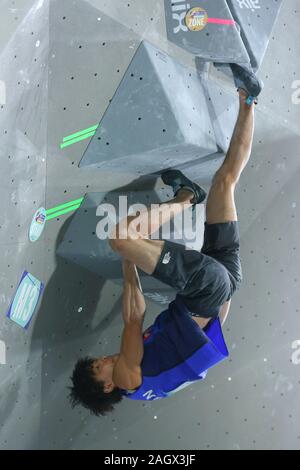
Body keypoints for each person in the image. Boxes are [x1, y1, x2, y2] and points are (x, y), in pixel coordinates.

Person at [69, 66, 263, 416]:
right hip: (206, 293)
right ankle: (187, 196)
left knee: (225, 182)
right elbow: (133, 317)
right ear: (108, 386)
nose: (103, 359)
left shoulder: (147, 385)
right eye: (99, 367)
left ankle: (249, 98)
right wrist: (128, 251)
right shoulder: (129, 380)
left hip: (223, 287)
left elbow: (138, 314)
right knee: (121, 236)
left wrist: (131, 261)